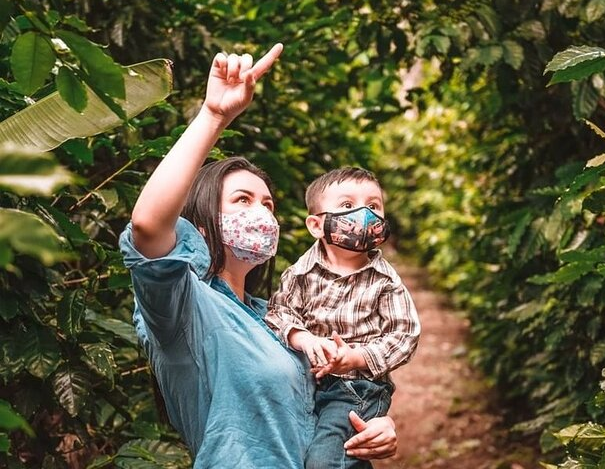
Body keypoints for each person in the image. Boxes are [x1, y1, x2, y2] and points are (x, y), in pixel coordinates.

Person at [118, 43, 398, 469]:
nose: (261, 213)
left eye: (268, 204)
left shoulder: (277, 317)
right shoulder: (185, 308)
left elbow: (332, 406)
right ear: (201, 217)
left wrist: (377, 426)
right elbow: (148, 227)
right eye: (243, 200)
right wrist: (213, 116)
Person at [265, 167, 421, 469]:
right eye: (348, 206)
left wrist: (357, 357)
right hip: (308, 385)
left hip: (357, 389)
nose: (364, 213)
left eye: (373, 206)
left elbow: (405, 334)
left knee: (325, 461)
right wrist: (303, 337)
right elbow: (278, 312)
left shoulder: (384, 280)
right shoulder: (300, 273)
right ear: (316, 225)